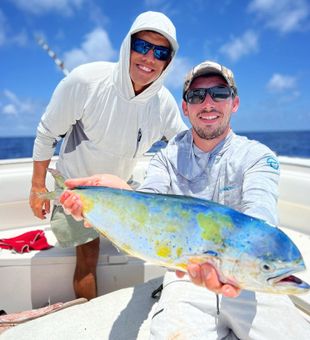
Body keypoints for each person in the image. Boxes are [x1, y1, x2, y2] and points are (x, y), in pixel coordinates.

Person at [59, 60, 310, 339]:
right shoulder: (166, 158)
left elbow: (261, 215)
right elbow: (148, 205)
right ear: (185, 107)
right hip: (185, 278)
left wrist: (251, 266)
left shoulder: (257, 157)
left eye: (219, 93)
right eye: (197, 95)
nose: (208, 103)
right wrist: (118, 194)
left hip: (253, 286)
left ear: (234, 103)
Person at [29, 11, 187, 301]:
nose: (149, 58)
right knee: (88, 257)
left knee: (162, 246)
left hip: (121, 190)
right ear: (128, 46)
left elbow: (186, 148)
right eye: (142, 46)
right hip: (77, 189)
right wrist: (38, 187)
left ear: (168, 61)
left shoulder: (164, 104)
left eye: (160, 52)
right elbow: (47, 133)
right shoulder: (85, 81)